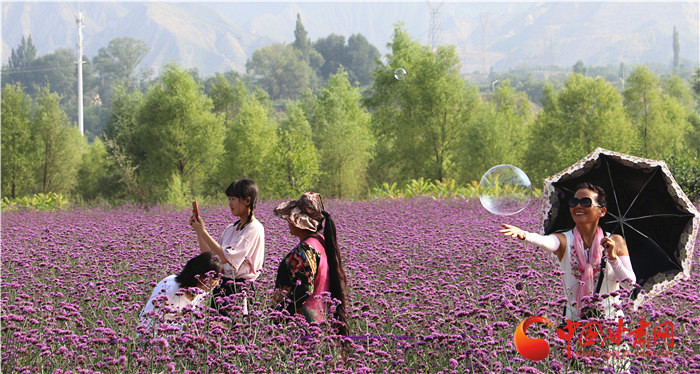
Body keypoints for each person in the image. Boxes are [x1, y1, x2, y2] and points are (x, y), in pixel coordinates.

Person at [499, 182, 636, 322]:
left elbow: (630, 285)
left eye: (586, 202)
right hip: (574, 325)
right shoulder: (565, 240)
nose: (578, 206)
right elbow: (548, 242)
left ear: (602, 211)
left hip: (610, 325)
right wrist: (525, 235)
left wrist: (613, 258)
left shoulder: (615, 241)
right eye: (573, 202)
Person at [271, 192, 349, 336]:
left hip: (302, 329)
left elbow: (303, 290)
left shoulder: (304, 251)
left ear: (299, 222)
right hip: (321, 322)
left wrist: (277, 318)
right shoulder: (321, 242)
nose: (288, 221)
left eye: (291, 217)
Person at [189, 179, 265, 315]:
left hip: (240, 290)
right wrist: (199, 232)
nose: (230, 204)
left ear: (247, 201)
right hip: (222, 287)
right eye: (229, 199)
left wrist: (203, 232)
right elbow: (210, 257)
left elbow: (227, 258)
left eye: (233, 199)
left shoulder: (254, 229)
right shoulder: (231, 229)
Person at [139, 252, 223, 332]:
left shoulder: (202, 292)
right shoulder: (169, 287)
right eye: (215, 279)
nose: (217, 283)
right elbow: (150, 320)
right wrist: (186, 327)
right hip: (153, 335)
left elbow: (194, 320)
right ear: (201, 275)